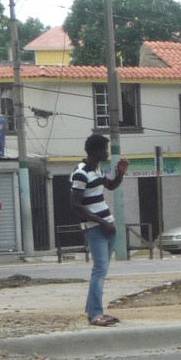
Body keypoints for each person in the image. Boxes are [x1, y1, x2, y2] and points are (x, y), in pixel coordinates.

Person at [72, 133, 128, 327]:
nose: (106, 153)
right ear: (95, 151)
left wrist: (120, 173)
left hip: (107, 225)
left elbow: (110, 186)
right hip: (96, 227)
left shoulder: (96, 169)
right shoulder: (80, 172)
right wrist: (103, 223)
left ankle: (93, 311)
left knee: (101, 270)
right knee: (100, 270)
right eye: (104, 149)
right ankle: (96, 314)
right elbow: (76, 205)